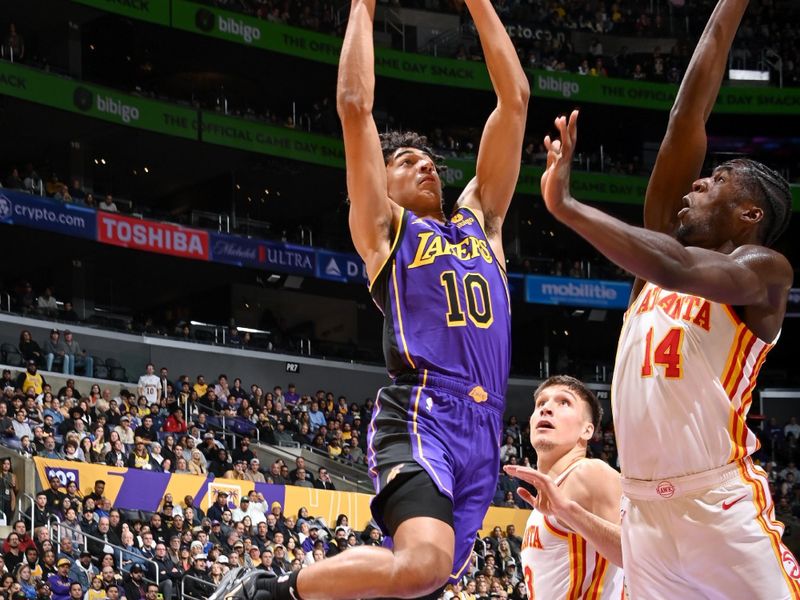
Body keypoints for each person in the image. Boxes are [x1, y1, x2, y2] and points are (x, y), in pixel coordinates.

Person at [220, 0, 527, 598]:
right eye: (406, 161)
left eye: (430, 161)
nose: (426, 166)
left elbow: (513, 98)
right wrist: (362, 7)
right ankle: (266, 589)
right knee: (420, 566)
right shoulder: (387, 233)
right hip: (423, 414)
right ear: (379, 183)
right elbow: (354, 108)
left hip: (486, 431)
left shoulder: (482, 222)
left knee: (421, 584)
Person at [538, 1, 797, 596]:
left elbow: (676, 264)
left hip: (720, 507)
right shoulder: (650, 268)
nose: (694, 186)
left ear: (748, 213)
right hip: (642, 514)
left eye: (712, 184)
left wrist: (569, 208)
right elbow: (687, 118)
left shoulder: (761, 271)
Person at [505, 376, 623, 598]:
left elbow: (636, 556)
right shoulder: (547, 499)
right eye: (541, 403)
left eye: (564, 402)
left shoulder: (589, 472)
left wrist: (567, 511)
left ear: (587, 431)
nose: (546, 408)